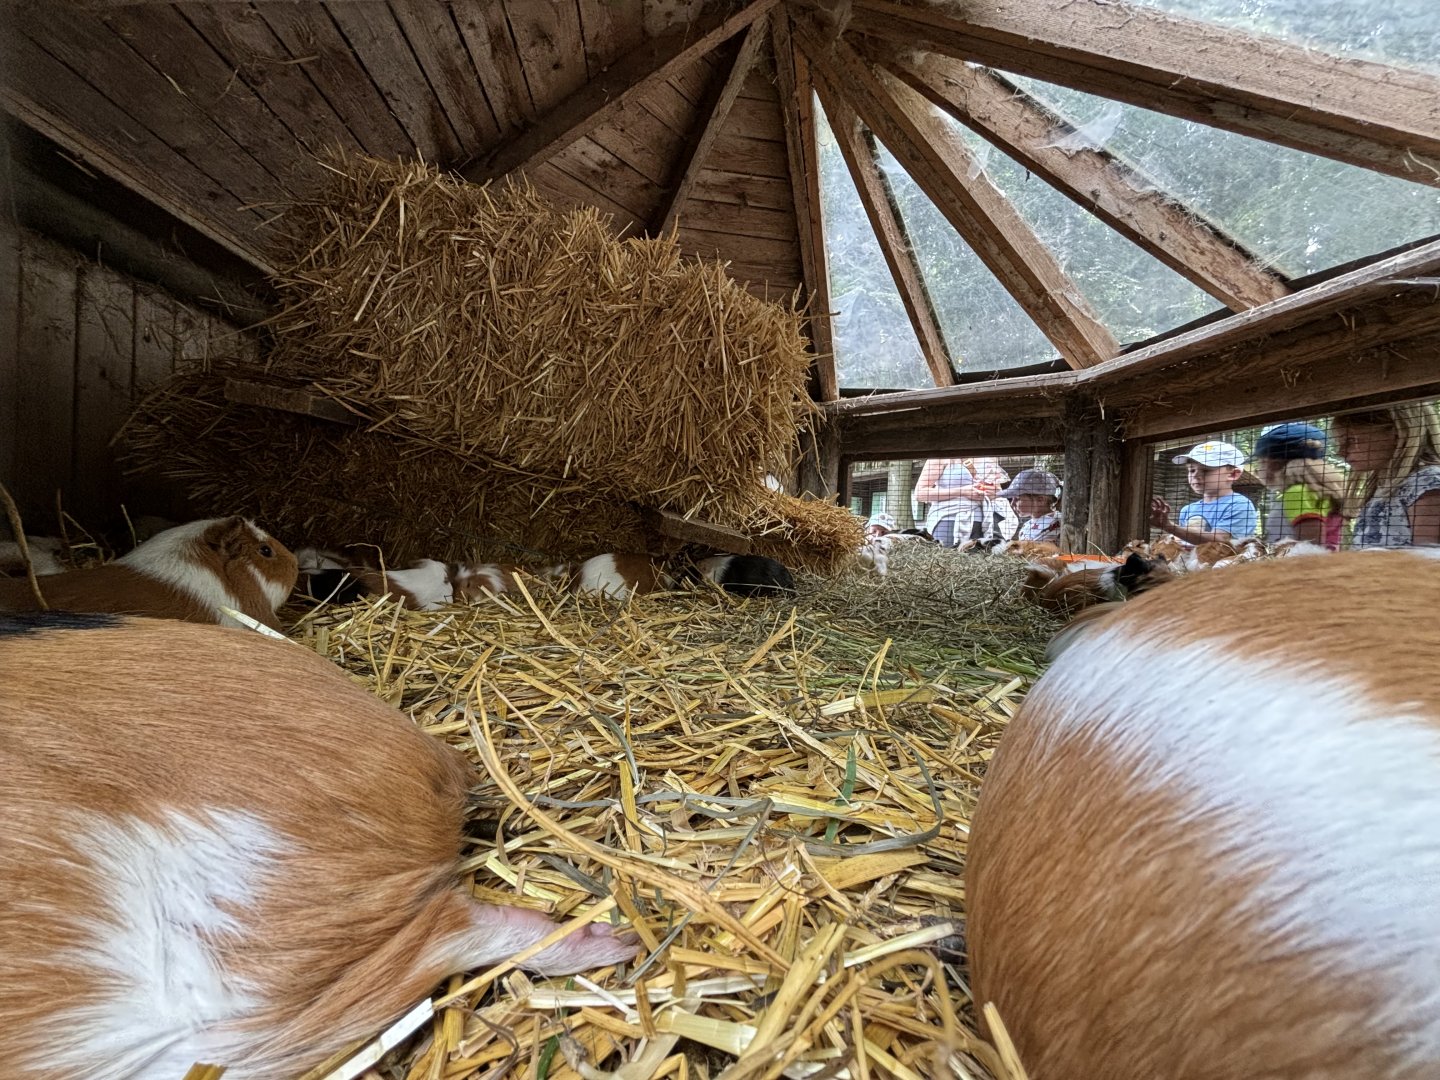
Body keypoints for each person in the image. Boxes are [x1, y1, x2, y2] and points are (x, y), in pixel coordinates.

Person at [1332, 404, 1440, 548]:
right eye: (1339, 443)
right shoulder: (1384, 485)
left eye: (1351, 440)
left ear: (1398, 433)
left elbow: (1429, 557)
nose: (1341, 452)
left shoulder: (1428, 481)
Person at [1248, 422, 1347, 550]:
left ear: (1274, 463)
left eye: (1261, 462)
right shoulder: (1313, 490)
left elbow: (1310, 547)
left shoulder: (1298, 492)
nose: (1258, 469)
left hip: (1300, 567)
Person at [1150, 440, 1258, 545]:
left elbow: (1220, 541)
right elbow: (1184, 540)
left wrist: (1169, 526)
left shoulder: (1239, 504)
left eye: (1206, 470)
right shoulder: (1187, 510)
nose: (1195, 475)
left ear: (1233, 474)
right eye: (1191, 470)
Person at [914, 457, 1011, 548]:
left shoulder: (990, 457)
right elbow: (920, 493)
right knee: (947, 558)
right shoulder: (940, 458)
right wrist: (962, 491)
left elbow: (997, 491)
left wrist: (992, 492)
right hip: (949, 518)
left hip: (985, 521)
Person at [997, 468, 1062, 544]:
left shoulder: (1057, 522)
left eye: (1017, 499)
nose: (1012, 503)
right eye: (1012, 499)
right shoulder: (1027, 525)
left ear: (1040, 500)